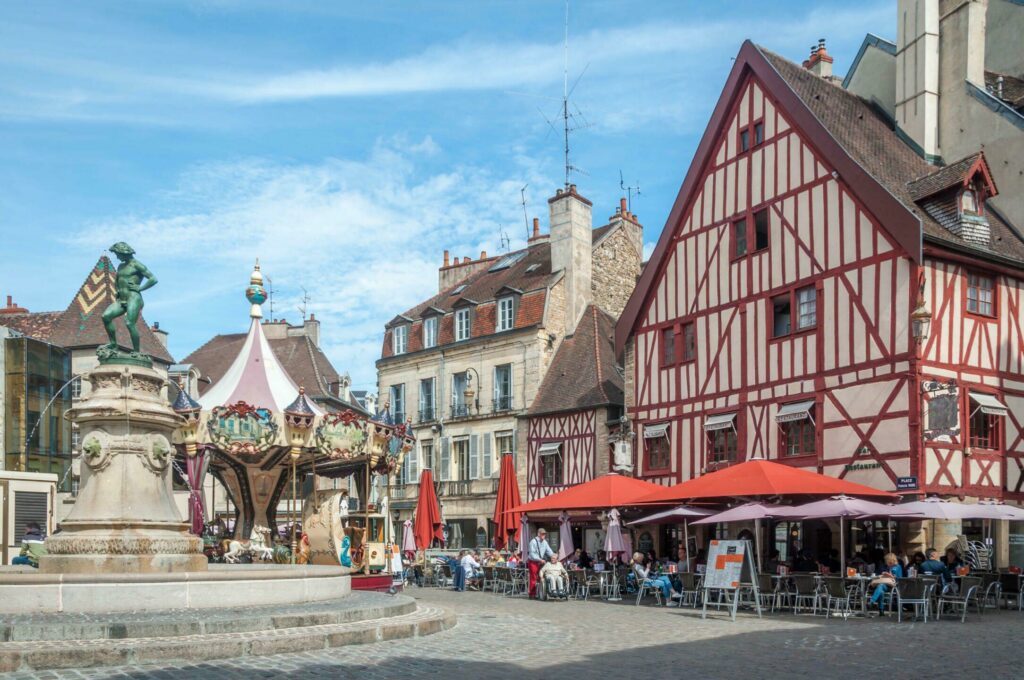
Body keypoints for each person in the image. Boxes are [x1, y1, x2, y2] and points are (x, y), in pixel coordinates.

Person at [527, 528, 555, 599]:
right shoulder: (533, 542)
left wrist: (554, 557)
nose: (544, 535)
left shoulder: (545, 542)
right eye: (542, 534)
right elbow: (532, 554)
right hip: (533, 562)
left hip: (540, 562)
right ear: (538, 534)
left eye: (544, 534)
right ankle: (532, 594)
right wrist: (540, 559)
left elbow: (549, 551)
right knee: (533, 578)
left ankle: (540, 593)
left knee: (541, 577)